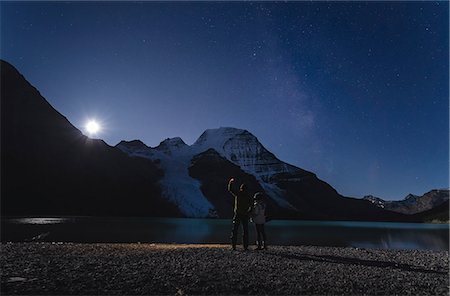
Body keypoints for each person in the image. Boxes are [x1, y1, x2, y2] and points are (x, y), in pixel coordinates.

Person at [228, 178, 252, 251]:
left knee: (235, 230)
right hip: (245, 215)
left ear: (241, 188)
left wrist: (230, 183)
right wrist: (249, 212)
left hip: (238, 214)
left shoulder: (238, 194)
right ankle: (245, 246)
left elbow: (230, 190)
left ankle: (234, 246)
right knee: (245, 231)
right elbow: (252, 206)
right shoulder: (248, 196)